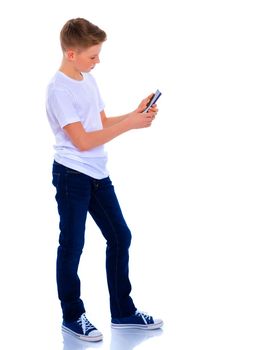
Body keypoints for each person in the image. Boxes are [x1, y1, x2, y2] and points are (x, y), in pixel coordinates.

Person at [46, 18, 163, 342]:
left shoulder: (87, 80)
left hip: (98, 174)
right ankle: (73, 316)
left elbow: (98, 123)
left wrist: (133, 113)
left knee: (120, 236)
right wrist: (132, 126)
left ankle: (122, 311)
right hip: (72, 175)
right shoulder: (58, 89)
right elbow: (83, 141)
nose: (98, 61)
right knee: (72, 245)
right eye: (92, 56)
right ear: (72, 53)